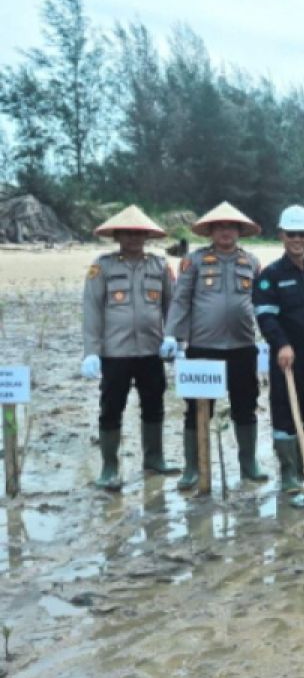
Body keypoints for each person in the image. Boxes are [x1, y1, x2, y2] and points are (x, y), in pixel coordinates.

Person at [163, 201, 267, 489]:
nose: (225, 232)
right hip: (203, 348)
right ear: (211, 231)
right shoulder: (194, 261)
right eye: (219, 227)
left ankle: (249, 464)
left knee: (245, 406)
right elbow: (181, 299)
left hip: (242, 347)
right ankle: (193, 467)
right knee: (197, 409)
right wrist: (172, 334)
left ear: (239, 231)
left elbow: (263, 304)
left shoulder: (252, 262)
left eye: (231, 227)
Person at [81, 205, 179, 490]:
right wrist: (91, 351)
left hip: (151, 350)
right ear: (117, 235)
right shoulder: (103, 266)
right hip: (115, 353)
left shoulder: (159, 266)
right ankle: (110, 467)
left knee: (154, 405)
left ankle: (154, 458)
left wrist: (172, 337)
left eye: (139, 233)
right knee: (111, 407)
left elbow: (171, 305)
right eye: (128, 233)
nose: (134, 238)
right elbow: (92, 310)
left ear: (147, 235)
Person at [252, 205, 304, 494]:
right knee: (286, 413)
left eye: (302, 234)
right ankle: (289, 472)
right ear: (281, 235)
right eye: (291, 234)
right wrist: (282, 344)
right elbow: (265, 316)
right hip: (287, 358)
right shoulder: (270, 275)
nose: (297, 239)